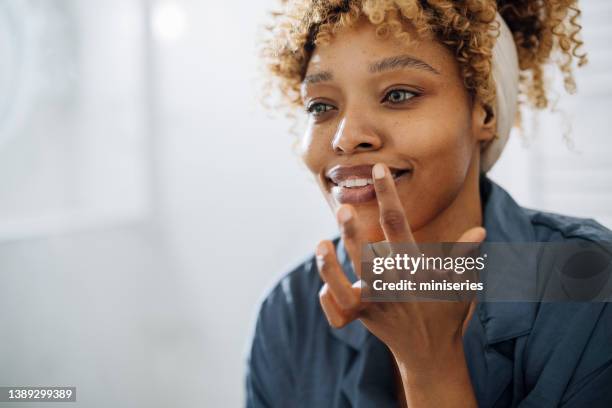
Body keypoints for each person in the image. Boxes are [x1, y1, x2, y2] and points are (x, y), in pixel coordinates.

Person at [246, 1, 612, 406]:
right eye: (321, 106)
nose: (346, 137)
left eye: (398, 94)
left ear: (483, 110)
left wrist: (430, 365)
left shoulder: (589, 283)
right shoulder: (290, 313)